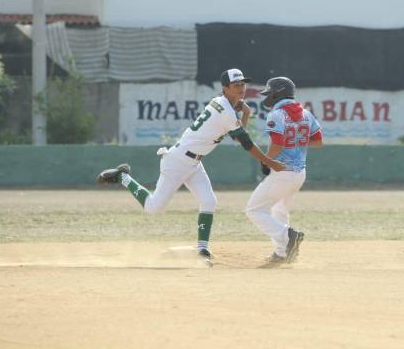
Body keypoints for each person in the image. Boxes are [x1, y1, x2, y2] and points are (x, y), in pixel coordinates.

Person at [95, 68, 285, 265]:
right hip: (176, 162)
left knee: (209, 201)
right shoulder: (226, 111)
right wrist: (269, 162)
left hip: (194, 162)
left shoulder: (223, 104)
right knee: (153, 208)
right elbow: (245, 142)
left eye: (243, 84)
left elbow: (236, 133)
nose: (241, 88)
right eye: (236, 85)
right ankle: (122, 177)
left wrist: (244, 111)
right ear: (225, 88)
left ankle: (202, 249)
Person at [245, 77, 323, 267]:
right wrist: (296, 143)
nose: (267, 97)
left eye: (270, 92)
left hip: (282, 172)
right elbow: (318, 141)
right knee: (279, 210)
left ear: (278, 92)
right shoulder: (306, 113)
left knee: (254, 210)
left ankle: (288, 236)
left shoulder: (277, 114)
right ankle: (282, 254)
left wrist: (266, 161)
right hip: (299, 173)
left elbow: (278, 143)